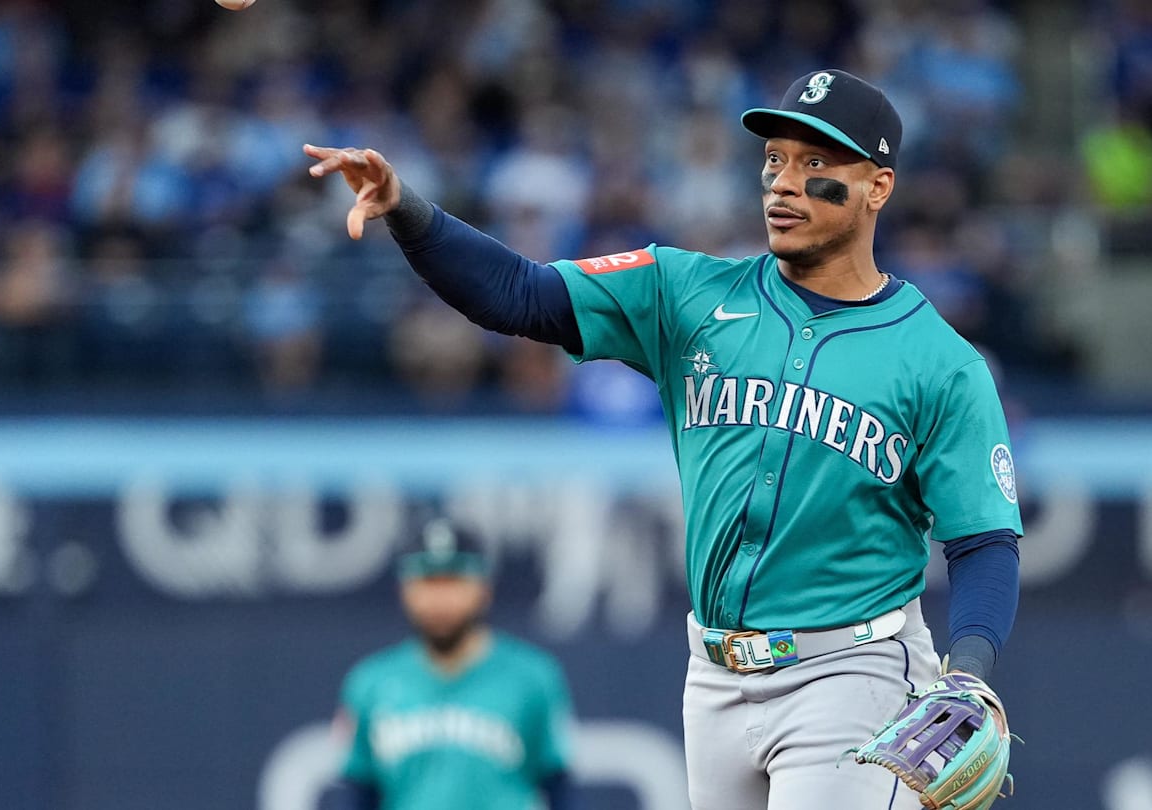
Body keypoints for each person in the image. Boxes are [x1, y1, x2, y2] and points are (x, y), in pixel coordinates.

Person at [306, 68, 1023, 810]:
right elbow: (517, 293)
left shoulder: (940, 362)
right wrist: (404, 208)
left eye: (816, 165)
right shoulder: (687, 291)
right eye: (774, 159)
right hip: (712, 673)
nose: (783, 183)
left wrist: (968, 672)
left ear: (878, 187)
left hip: (853, 668)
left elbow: (983, 540)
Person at [318, 520, 576, 810]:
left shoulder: (532, 677)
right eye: (428, 582)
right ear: (404, 590)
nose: (440, 599)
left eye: (453, 581)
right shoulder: (371, 682)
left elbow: (559, 786)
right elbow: (358, 791)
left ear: (484, 589)